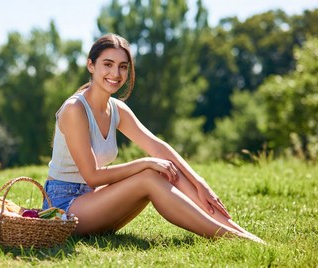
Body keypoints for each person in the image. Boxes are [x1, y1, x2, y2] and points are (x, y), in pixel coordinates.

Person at [43, 33, 264, 243]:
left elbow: (158, 147)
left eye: (123, 67)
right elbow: (92, 176)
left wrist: (199, 182)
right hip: (64, 208)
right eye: (107, 64)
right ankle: (227, 236)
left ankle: (238, 231)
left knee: (166, 169)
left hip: (92, 202)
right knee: (149, 175)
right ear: (91, 65)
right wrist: (145, 162)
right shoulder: (75, 109)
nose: (116, 74)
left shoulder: (116, 109)